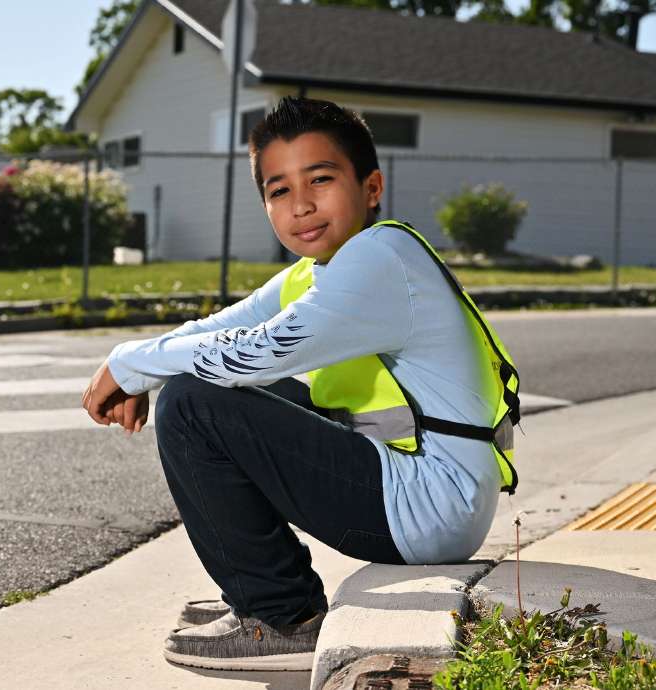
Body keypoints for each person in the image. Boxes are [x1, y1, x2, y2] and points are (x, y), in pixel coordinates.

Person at [81, 96, 519, 672]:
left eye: (321, 178)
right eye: (279, 190)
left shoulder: (380, 258)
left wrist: (134, 364)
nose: (302, 204)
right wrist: (141, 361)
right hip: (429, 492)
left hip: (429, 504)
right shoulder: (323, 268)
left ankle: (281, 616)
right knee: (210, 386)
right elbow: (221, 329)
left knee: (194, 403)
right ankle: (263, 587)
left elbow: (256, 353)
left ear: (371, 187)